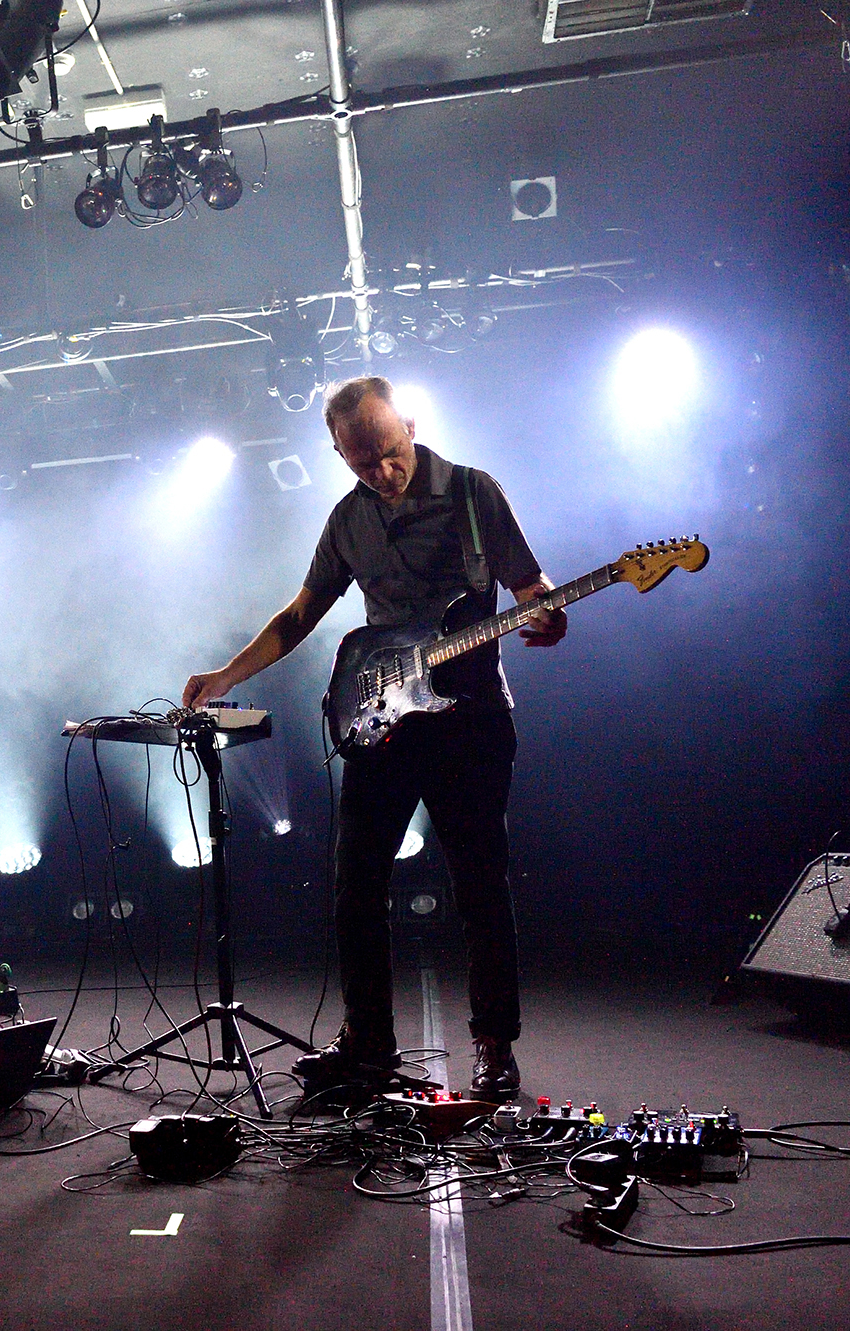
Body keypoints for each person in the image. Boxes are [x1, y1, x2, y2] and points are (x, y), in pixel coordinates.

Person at [181, 377, 564, 1099]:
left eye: (389, 452)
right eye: (362, 462)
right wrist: (227, 673)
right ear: (339, 455)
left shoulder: (473, 492)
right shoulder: (347, 519)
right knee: (355, 884)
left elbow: (528, 585)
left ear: (409, 425)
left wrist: (544, 613)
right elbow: (300, 613)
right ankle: (368, 1043)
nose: (382, 471)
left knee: (480, 885)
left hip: (470, 717)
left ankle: (494, 1046)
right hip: (384, 719)